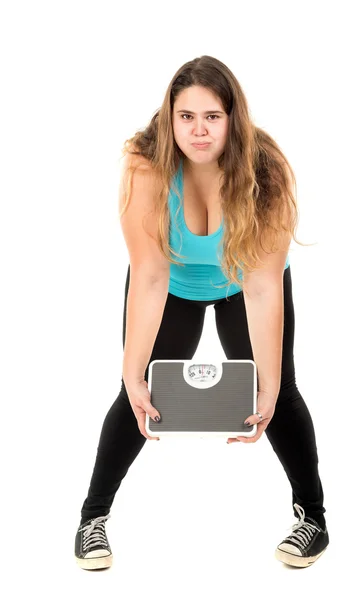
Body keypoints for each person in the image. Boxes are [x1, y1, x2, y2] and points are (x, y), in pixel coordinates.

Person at [74, 55, 329, 571]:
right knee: (137, 392)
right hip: (170, 284)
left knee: (281, 393)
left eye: (212, 116)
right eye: (186, 116)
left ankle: (314, 520)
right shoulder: (145, 163)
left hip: (242, 281)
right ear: (169, 118)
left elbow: (261, 284)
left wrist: (270, 383)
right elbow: (148, 275)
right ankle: (91, 520)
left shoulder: (267, 169)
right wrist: (131, 372)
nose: (199, 129)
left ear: (233, 117)